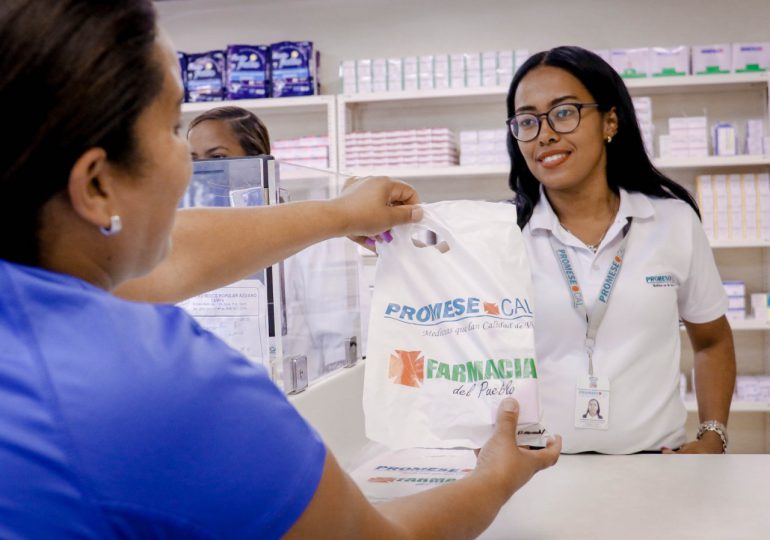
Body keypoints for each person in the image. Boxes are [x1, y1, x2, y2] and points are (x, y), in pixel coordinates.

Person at [0, 1, 561, 537]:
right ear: (96, 184)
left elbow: (175, 256)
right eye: (173, 129)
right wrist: (497, 476)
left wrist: (339, 215)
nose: (190, 170)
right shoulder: (166, 382)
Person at [506, 46, 735, 454]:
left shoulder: (672, 221)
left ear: (610, 121)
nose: (545, 134)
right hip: (534, 473)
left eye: (563, 112)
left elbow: (713, 341)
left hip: (656, 469)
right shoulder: (503, 235)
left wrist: (713, 435)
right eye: (527, 120)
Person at [186, 105, 361, 380]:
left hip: (293, 393)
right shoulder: (189, 239)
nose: (205, 172)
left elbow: (336, 340)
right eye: (192, 161)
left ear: (256, 160)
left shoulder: (306, 234)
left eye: (218, 157)